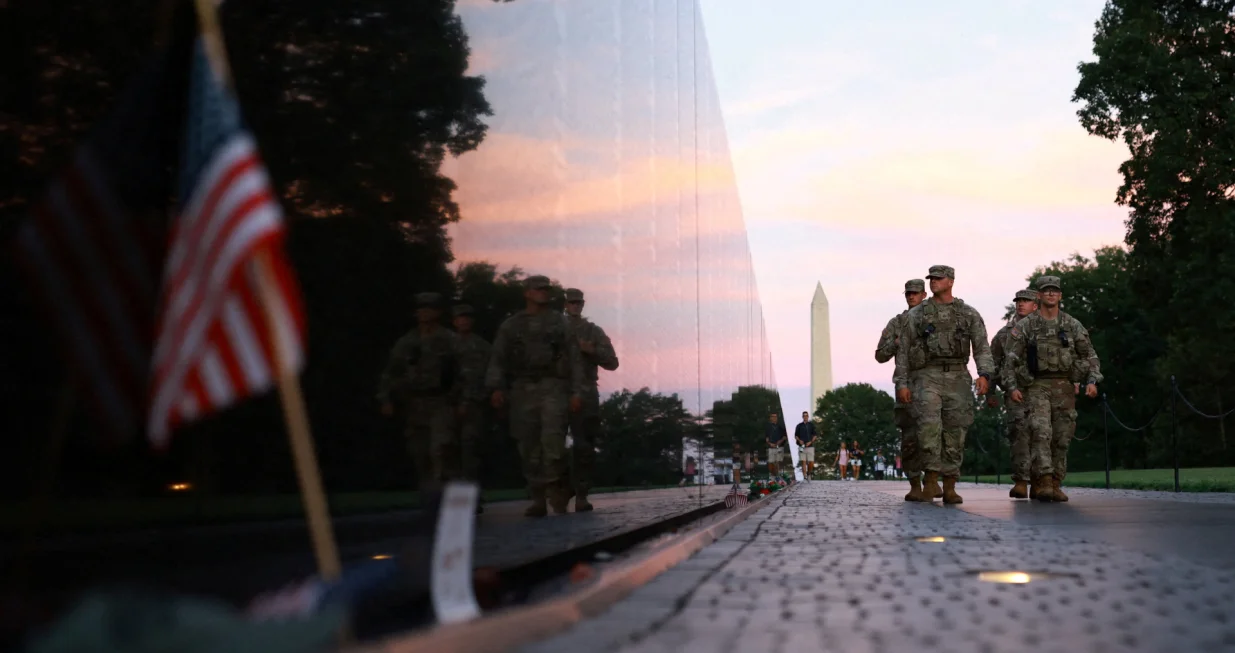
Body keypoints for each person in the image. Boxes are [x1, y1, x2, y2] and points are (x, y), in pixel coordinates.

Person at [893, 265, 994, 504]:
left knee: (955, 431)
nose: (933, 282)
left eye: (938, 279)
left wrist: (985, 375)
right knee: (928, 428)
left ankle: (950, 485)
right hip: (926, 376)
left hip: (958, 376)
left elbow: (981, 347)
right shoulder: (916, 315)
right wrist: (902, 384)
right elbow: (904, 352)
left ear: (950, 281)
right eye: (932, 279)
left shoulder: (968, 313)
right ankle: (930, 479)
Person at [485, 275, 584, 518]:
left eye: (546, 289)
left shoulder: (560, 323)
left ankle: (558, 496)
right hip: (522, 389)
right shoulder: (512, 325)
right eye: (538, 289)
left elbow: (574, 359)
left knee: (553, 443)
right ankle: (537, 497)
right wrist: (496, 388)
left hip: (553, 387)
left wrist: (576, 391)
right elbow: (498, 358)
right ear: (527, 293)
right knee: (528, 445)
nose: (543, 293)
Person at [1001, 275, 1103, 503]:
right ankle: (1044, 480)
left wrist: (1093, 381)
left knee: (1062, 436)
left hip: (1064, 386)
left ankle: (1056, 481)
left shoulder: (1071, 324)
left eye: (1054, 291)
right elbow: (1010, 359)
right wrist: (1012, 387)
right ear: (1039, 296)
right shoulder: (1026, 325)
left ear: (1060, 296)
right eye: (1046, 291)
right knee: (1040, 430)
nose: (1050, 294)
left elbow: (1090, 355)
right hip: (1035, 386)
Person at [377, 292, 461, 495]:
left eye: (429, 308)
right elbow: (391, 371)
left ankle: (445, 495)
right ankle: (429, 496)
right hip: (414, 404)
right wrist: (385, 398)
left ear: (438, 312)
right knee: (419, 453)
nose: (424, 312)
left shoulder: (449, 339)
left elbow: (463, 371)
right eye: (421, 309)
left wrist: (462, 400)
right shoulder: (407, 341)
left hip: (441, 401)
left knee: (441, 449)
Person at [562, 288, 619, 512]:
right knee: (551, 445)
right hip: (555, 391)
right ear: (564, 305)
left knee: (584, 445)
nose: (576, 306)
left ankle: (581, 493)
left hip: (585, 393)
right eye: (571, 302)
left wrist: (592, 351)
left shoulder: (592, 331)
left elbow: (612, 362)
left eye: (579, 303)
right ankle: (560, 488)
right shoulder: (554, 329)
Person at [876, 279, 928, 500]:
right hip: (906, 385)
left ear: (924, 295)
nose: (911, 296)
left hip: (932, 383)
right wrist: (895, 344)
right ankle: (915, 483)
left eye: (915, 293)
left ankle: (935, 479)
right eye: (908, 293)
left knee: (935, 435)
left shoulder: (935, 319)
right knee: (909, 438)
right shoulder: (897, 323)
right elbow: (880, 355)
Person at [989, 289, 1039, 499]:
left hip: (1042, 389)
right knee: (1018, 433)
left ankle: (1042, 480)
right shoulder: (1004, 334)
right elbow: (992, 363)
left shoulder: (1046, 329)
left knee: (1043, 435)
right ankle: (1021, 481)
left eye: (1026, 301)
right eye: (1018, 301)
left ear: (1035, 305)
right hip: (1014, 390)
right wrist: (990, 392)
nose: (1020, 304)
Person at [451, 303, 491, 514]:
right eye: (459, 317)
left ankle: (472, 498)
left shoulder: (482, 347)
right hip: (447, 406)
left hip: (474, 406)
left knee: (471, 452)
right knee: (447, 451)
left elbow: (489, 376)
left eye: (467, 317)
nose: (463, 320)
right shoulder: (445, 344)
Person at [794, 412, 817, 479]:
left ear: (808, 416)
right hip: (801, 446)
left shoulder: (811, 425)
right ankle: (804, 477)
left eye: (806, 416)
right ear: (802, 417)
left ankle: (808, 473)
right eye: (804, 416)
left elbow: (815, 435)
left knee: (811, 462)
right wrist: (799, 440)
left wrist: (810, 442)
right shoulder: (799, 425)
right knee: (803, 462)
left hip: (810, 446)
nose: (805, 417)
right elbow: (796, 436)